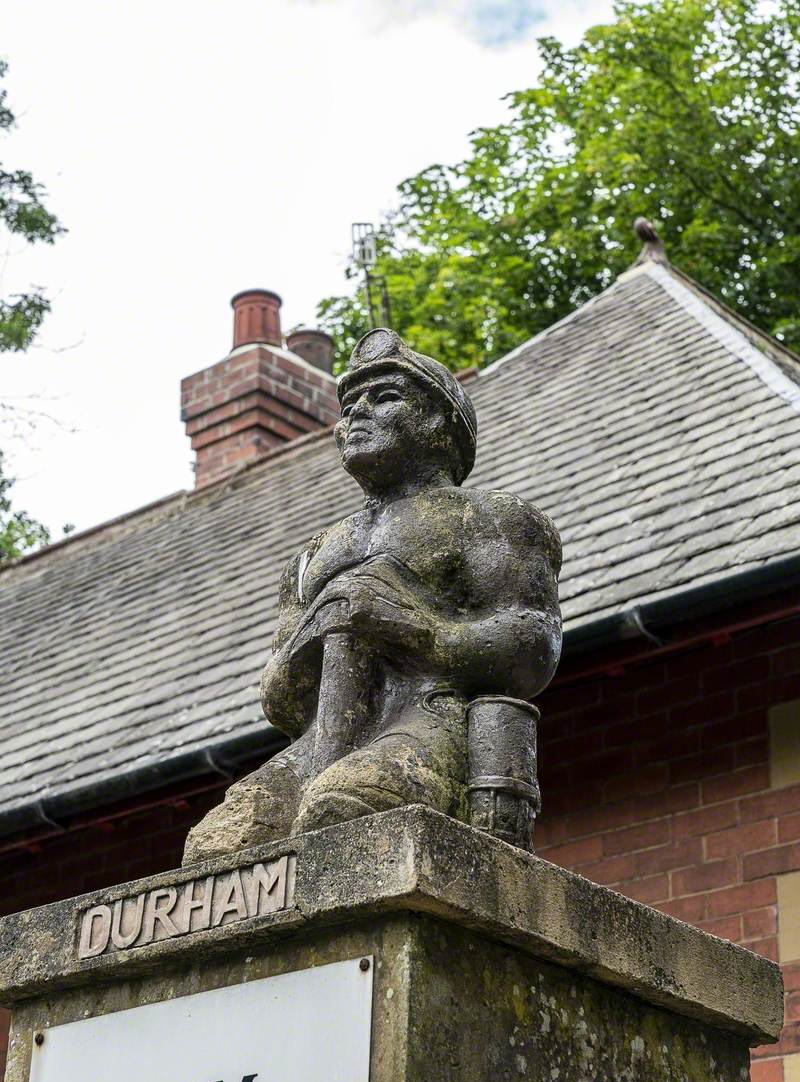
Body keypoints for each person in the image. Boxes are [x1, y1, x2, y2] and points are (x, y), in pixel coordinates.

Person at [184, 328, 561, 865]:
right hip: (318, 742)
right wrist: (310, 639)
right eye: (349, 404)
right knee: (220, 845)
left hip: (432, 718)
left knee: (345, 809)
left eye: (384, 397)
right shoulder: (315, 553)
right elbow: (280, 698)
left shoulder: (489, 519)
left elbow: (532, 644)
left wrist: (417, 631)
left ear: (438, 423)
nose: (357, 413)